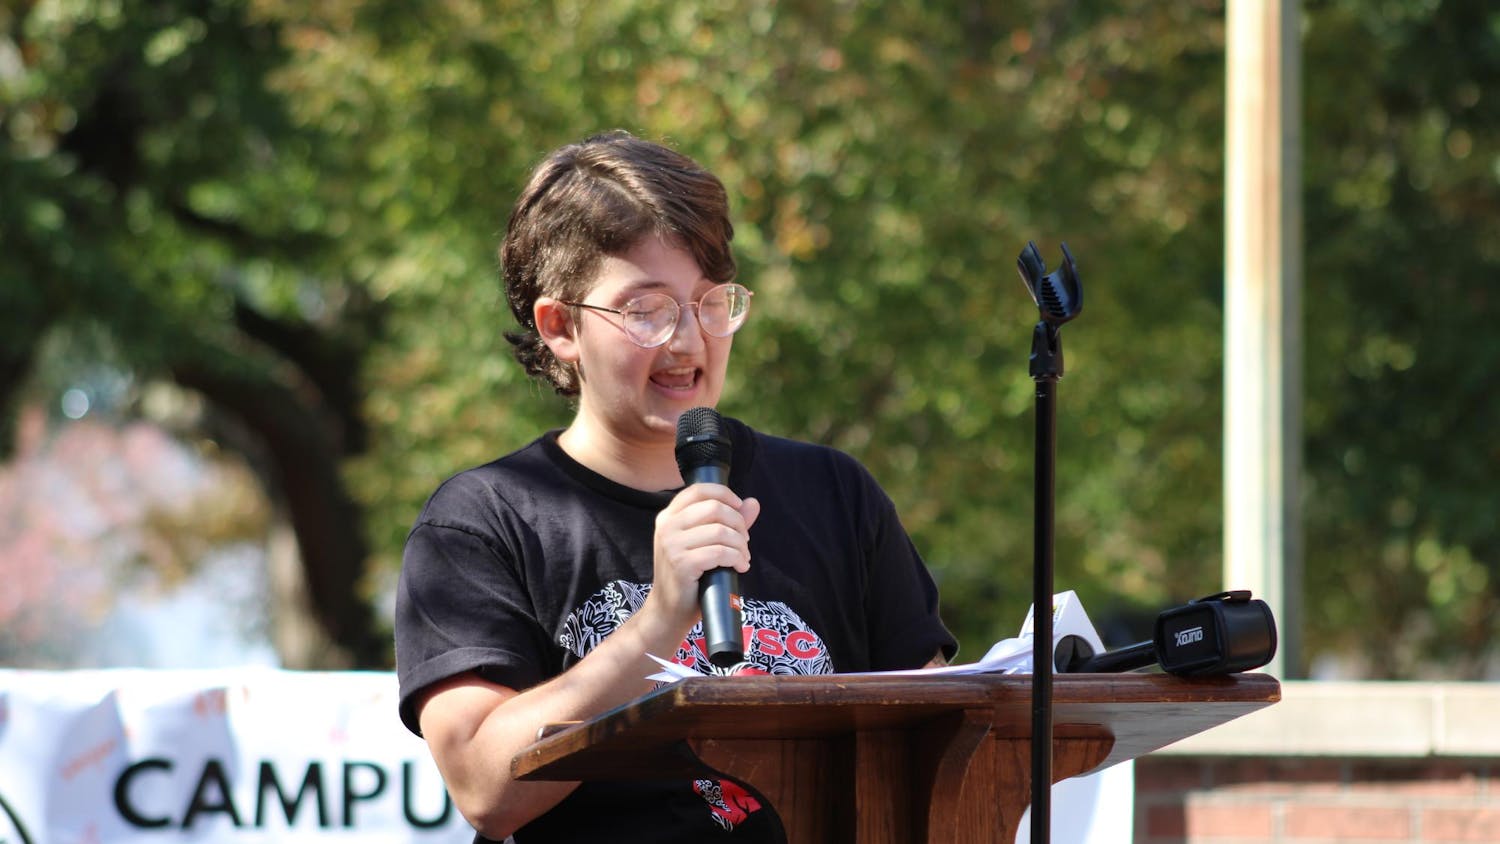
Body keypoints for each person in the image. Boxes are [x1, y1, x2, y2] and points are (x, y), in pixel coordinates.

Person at [394, 130, 956, 843]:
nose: (688, 340)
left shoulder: (834, 493)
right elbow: (483, 786)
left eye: (710, 303)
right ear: (560, 325)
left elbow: (938, 735)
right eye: (646, 309)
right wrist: (659, 623)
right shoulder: (483, 523)